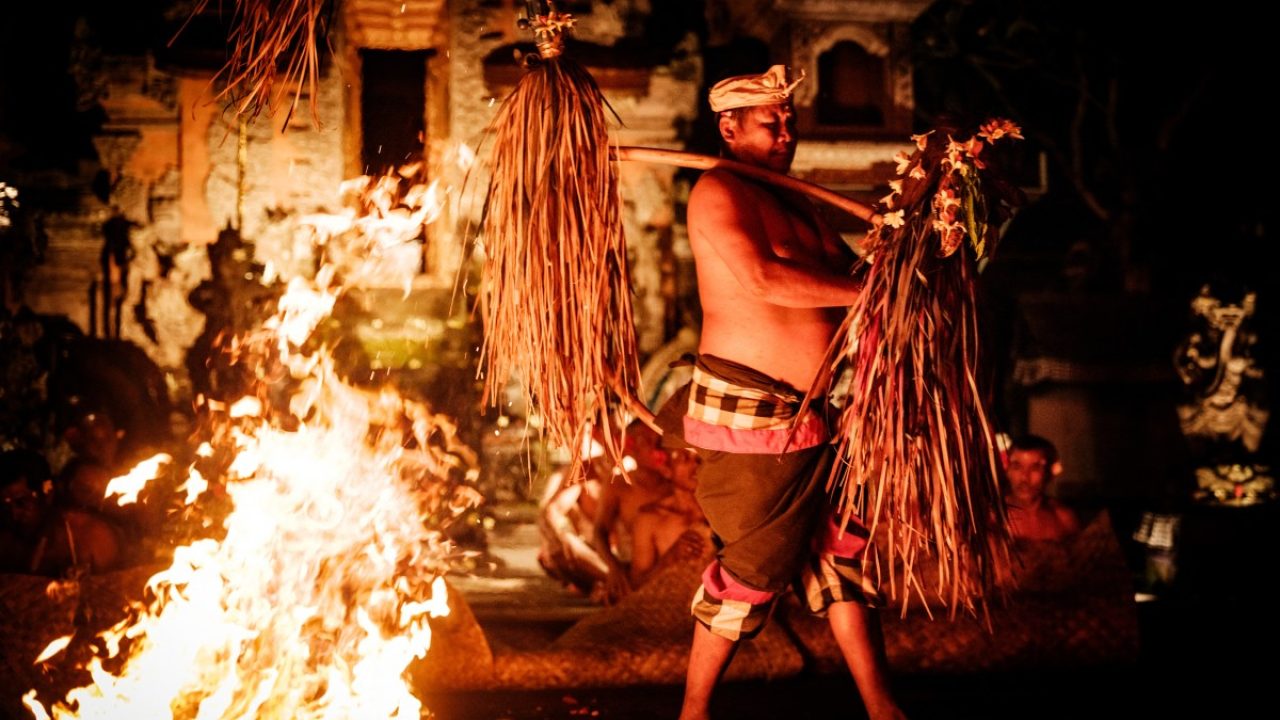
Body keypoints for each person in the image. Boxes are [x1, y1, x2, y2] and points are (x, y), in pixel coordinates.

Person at [658, 65, 904, 720]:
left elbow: (847, 279)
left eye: (790, 120)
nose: (786, 131)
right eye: (771, 121)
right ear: (730, 127)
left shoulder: (796, 200)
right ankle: (694, 711)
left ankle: (882, 708)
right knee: (755, 569)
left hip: (821, 411)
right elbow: (763, 280)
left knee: (841, 553)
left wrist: (898, 259)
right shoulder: (717, 192)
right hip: (753, 414)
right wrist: (864, 291)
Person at [628, 447, 707, 588]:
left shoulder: (725, 512)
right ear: (667, 469)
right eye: (684, 458)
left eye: (699, 458)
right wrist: (671, 557)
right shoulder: (650, 518)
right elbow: (638, 584)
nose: (694, 465)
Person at [1003, 434, 1081, 542]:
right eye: (1017, 467)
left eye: (1035, 468)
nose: (1024, 478)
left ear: (1048, 473)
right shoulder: (992, 519)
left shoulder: (1063, 519)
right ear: (1007, 470)